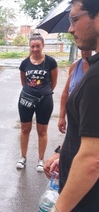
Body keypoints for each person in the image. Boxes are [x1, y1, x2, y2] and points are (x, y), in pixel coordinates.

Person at [44, 0, 99, 211]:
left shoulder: (96, 78)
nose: (70, 28)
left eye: (75, 19)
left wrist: (60, 208)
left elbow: (93, 159)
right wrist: (64, 154)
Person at [16, 32, 58, 172]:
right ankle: (23, 157)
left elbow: (53, 83)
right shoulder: (25, 63)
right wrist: (31, 92)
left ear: (43, 46)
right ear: (29, 46)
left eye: (38, 46)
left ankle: (40, 159)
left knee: (42, 131)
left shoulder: (51, 62)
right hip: (26, 100)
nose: (35, 49)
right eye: (32, 46)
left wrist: (43, 92)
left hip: (44, 101)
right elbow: (24, 82)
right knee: (25, 129)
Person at [58, 50, 92, 134]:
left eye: (87, 48)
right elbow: (66, 93)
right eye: (82, 48)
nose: (84, 51)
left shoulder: (96, 66)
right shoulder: (75, 65)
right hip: (74, 117)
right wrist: (62, 117)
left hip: (92, 118)